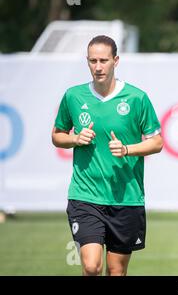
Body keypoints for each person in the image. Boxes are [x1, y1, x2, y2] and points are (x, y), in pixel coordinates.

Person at [52, 35, 163, 276]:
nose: (98, 66)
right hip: (85, 196)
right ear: (87, 62)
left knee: (116, 272)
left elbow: (157, 142)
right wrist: (74, 139)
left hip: (126, 198)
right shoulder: (73, 96)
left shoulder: (136, 98)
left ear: (116, 61)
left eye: (104, 60)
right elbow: (57, 135)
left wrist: (126, 149)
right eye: (93, 61)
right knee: (92, 267)